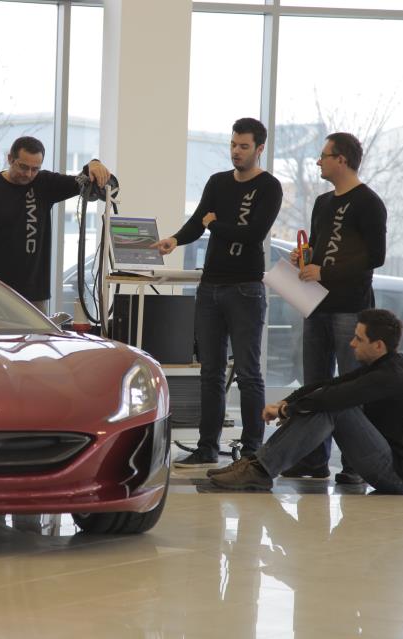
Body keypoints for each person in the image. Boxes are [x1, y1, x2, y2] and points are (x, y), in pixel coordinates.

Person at [152, 118, 283, 467]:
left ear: (259, 149)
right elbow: (199, 221)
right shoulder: (218, 182)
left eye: (244, 146)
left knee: (248, 372)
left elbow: (253, 234)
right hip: (211, 287)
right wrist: (175, 239)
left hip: (245, 288)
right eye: (233, 145)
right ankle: (207, 447)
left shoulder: (269, 187)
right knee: (210, 372)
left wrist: (215, 225)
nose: (236, 152)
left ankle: (253, 450)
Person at [207, 309, 403, 495]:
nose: (352, 343)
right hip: (391, 464)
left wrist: (287, 411)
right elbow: (329, 384)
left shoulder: (390, 376)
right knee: (327, 400)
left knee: (333, 407)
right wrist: (286, 402)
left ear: (378, 346)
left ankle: (259, 470)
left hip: (399, 477)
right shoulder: (384, 366)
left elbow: (332, 397)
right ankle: (258, 465)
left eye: (359, 339)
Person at [286, 132, 387, 484]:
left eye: (324, 155)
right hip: (316, 303)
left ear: (341, 159)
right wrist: (304, 258)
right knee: (315, 385)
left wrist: (325, 271)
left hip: (350, 308)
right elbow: (318, 247)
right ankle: (314, 460)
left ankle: (355, 465)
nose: (318, 161)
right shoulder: (323, 202)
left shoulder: (369, 203)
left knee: (351, 387)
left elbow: (375, 256)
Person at [0, 136, 111, 312]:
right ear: (10, 159)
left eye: (35, 169)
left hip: (34, 293)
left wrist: (93, 164)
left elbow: (80, 181)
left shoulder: (44, 183)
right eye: (23, 167)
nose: (28, 174)